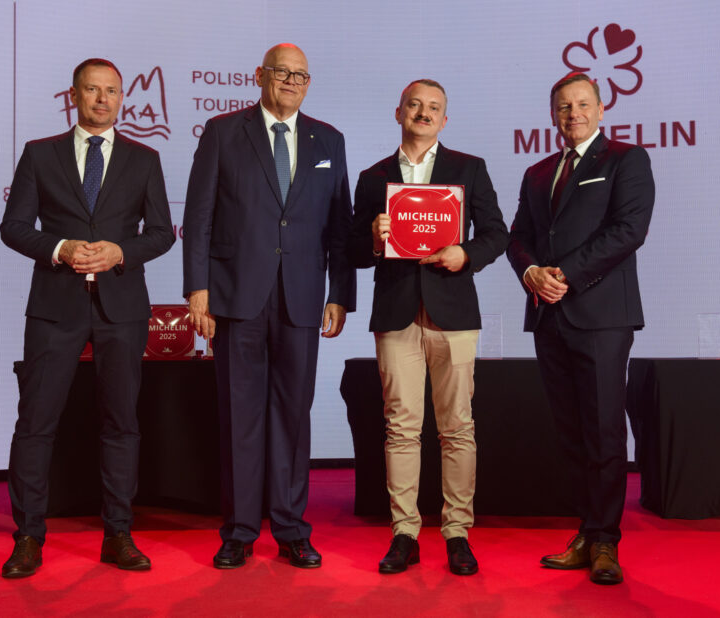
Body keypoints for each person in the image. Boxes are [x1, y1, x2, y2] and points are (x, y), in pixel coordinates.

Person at [182, 43, 356, 570]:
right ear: (260, 75)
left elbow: (340, 226)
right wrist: (197, 289)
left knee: (293, 416)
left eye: (300, 75)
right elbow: (199, 216)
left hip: (302, 298)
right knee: (241, 417)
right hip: (236, 296)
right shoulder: (223, 132)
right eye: (282, 72)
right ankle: (238, 531)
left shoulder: (329, 139)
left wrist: (340, 293)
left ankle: (291, 529)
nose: (291, 82)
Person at [0, 58, 174, 578]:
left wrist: (121, 252)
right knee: (35, 423)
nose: (102, 99)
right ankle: (28, 537)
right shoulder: (40, 154)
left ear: (121, 98)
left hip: (122, 309)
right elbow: (13, 226)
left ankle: (118, 533)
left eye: (111, 91)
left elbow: (161, 233)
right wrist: (60, 248)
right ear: (72, 95)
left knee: (121, 423)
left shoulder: (145, 159)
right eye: (93, 90)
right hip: (55, 306)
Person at [349, 79, 509, 575]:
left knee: (457, 427)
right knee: (401, 426)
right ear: (398, 112)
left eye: (433, 107)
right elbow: (352, 251)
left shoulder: (469, 168)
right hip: (396, 314)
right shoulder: (372, 177)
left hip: (453, 315)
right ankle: (405, 533)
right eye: (415, 105)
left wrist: (466, 253)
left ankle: (457, 533)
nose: (423, 113)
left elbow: (497, 234)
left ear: (445, 119)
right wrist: (373, 240)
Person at [507, 72, 655, 585]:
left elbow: (629, 230)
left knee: (604, 429)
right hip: (548, 316)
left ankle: (606, 540)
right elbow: (518, 236)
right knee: (571, 432)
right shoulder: (537, 171)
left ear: (601, 108)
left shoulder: (625, 160)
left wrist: (564, 275)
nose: (574, 114)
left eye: (583, 104)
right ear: (553, 115)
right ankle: (586, 532)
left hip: (601, 316)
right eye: (564, 106)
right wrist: (531, 272)